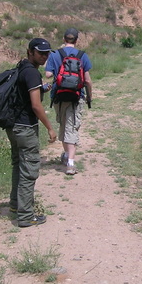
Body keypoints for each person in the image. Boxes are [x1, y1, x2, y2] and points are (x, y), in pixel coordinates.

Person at [7, 38, 57, 227]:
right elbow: (36, 106)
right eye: (40, 53)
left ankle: (15, 205)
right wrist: (50, 128)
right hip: (26, 128)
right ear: (30, 52)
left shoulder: (21, 67)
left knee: (18, 165)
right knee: (29, 171)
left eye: (46, 53)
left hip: (13, 126)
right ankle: (26, 215)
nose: (44, 57)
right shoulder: (32, 74)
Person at [45, 27, 93, 175]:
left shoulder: (55, 55)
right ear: (77, 40)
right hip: (76, 96)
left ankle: (66, 156)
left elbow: (47, 75)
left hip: (58, 96)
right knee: (72, 128)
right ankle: (71, 163)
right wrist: (89, 97)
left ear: (64, 39)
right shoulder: (82, 55)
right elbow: (87, 81)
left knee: (64, 125)